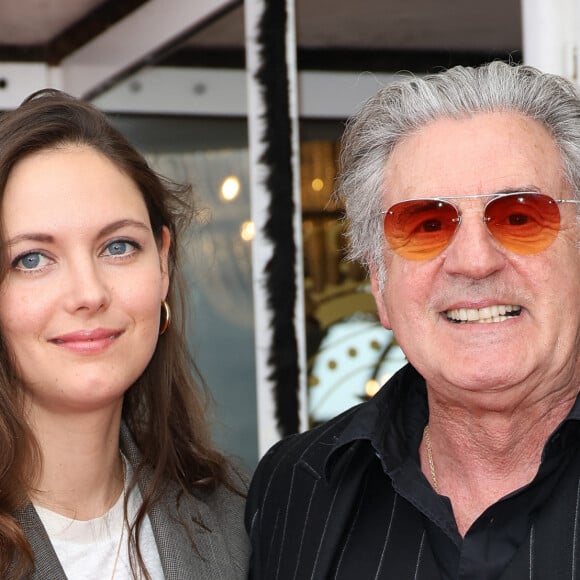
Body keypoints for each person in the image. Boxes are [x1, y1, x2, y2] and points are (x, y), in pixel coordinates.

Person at [245, 60, 580, 579]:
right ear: (379, 283)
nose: (474, 260)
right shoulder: (299, 486)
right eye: (426, 225)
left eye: (519, 217)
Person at [0, 89, 249, 579]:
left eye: (117, 246)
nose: (88, 293)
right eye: (32, 259)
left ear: (162, 260)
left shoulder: (236, 517)